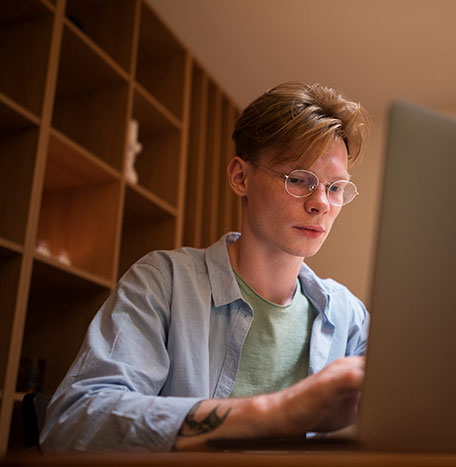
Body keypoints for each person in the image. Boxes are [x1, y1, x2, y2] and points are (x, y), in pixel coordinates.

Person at [40, 82, 371, 452]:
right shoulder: (162, 282)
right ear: (240, 177)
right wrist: (278, 411)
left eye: (336, 187)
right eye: (298, 180)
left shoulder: (348, 316)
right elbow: (74, 422)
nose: (321, 204)